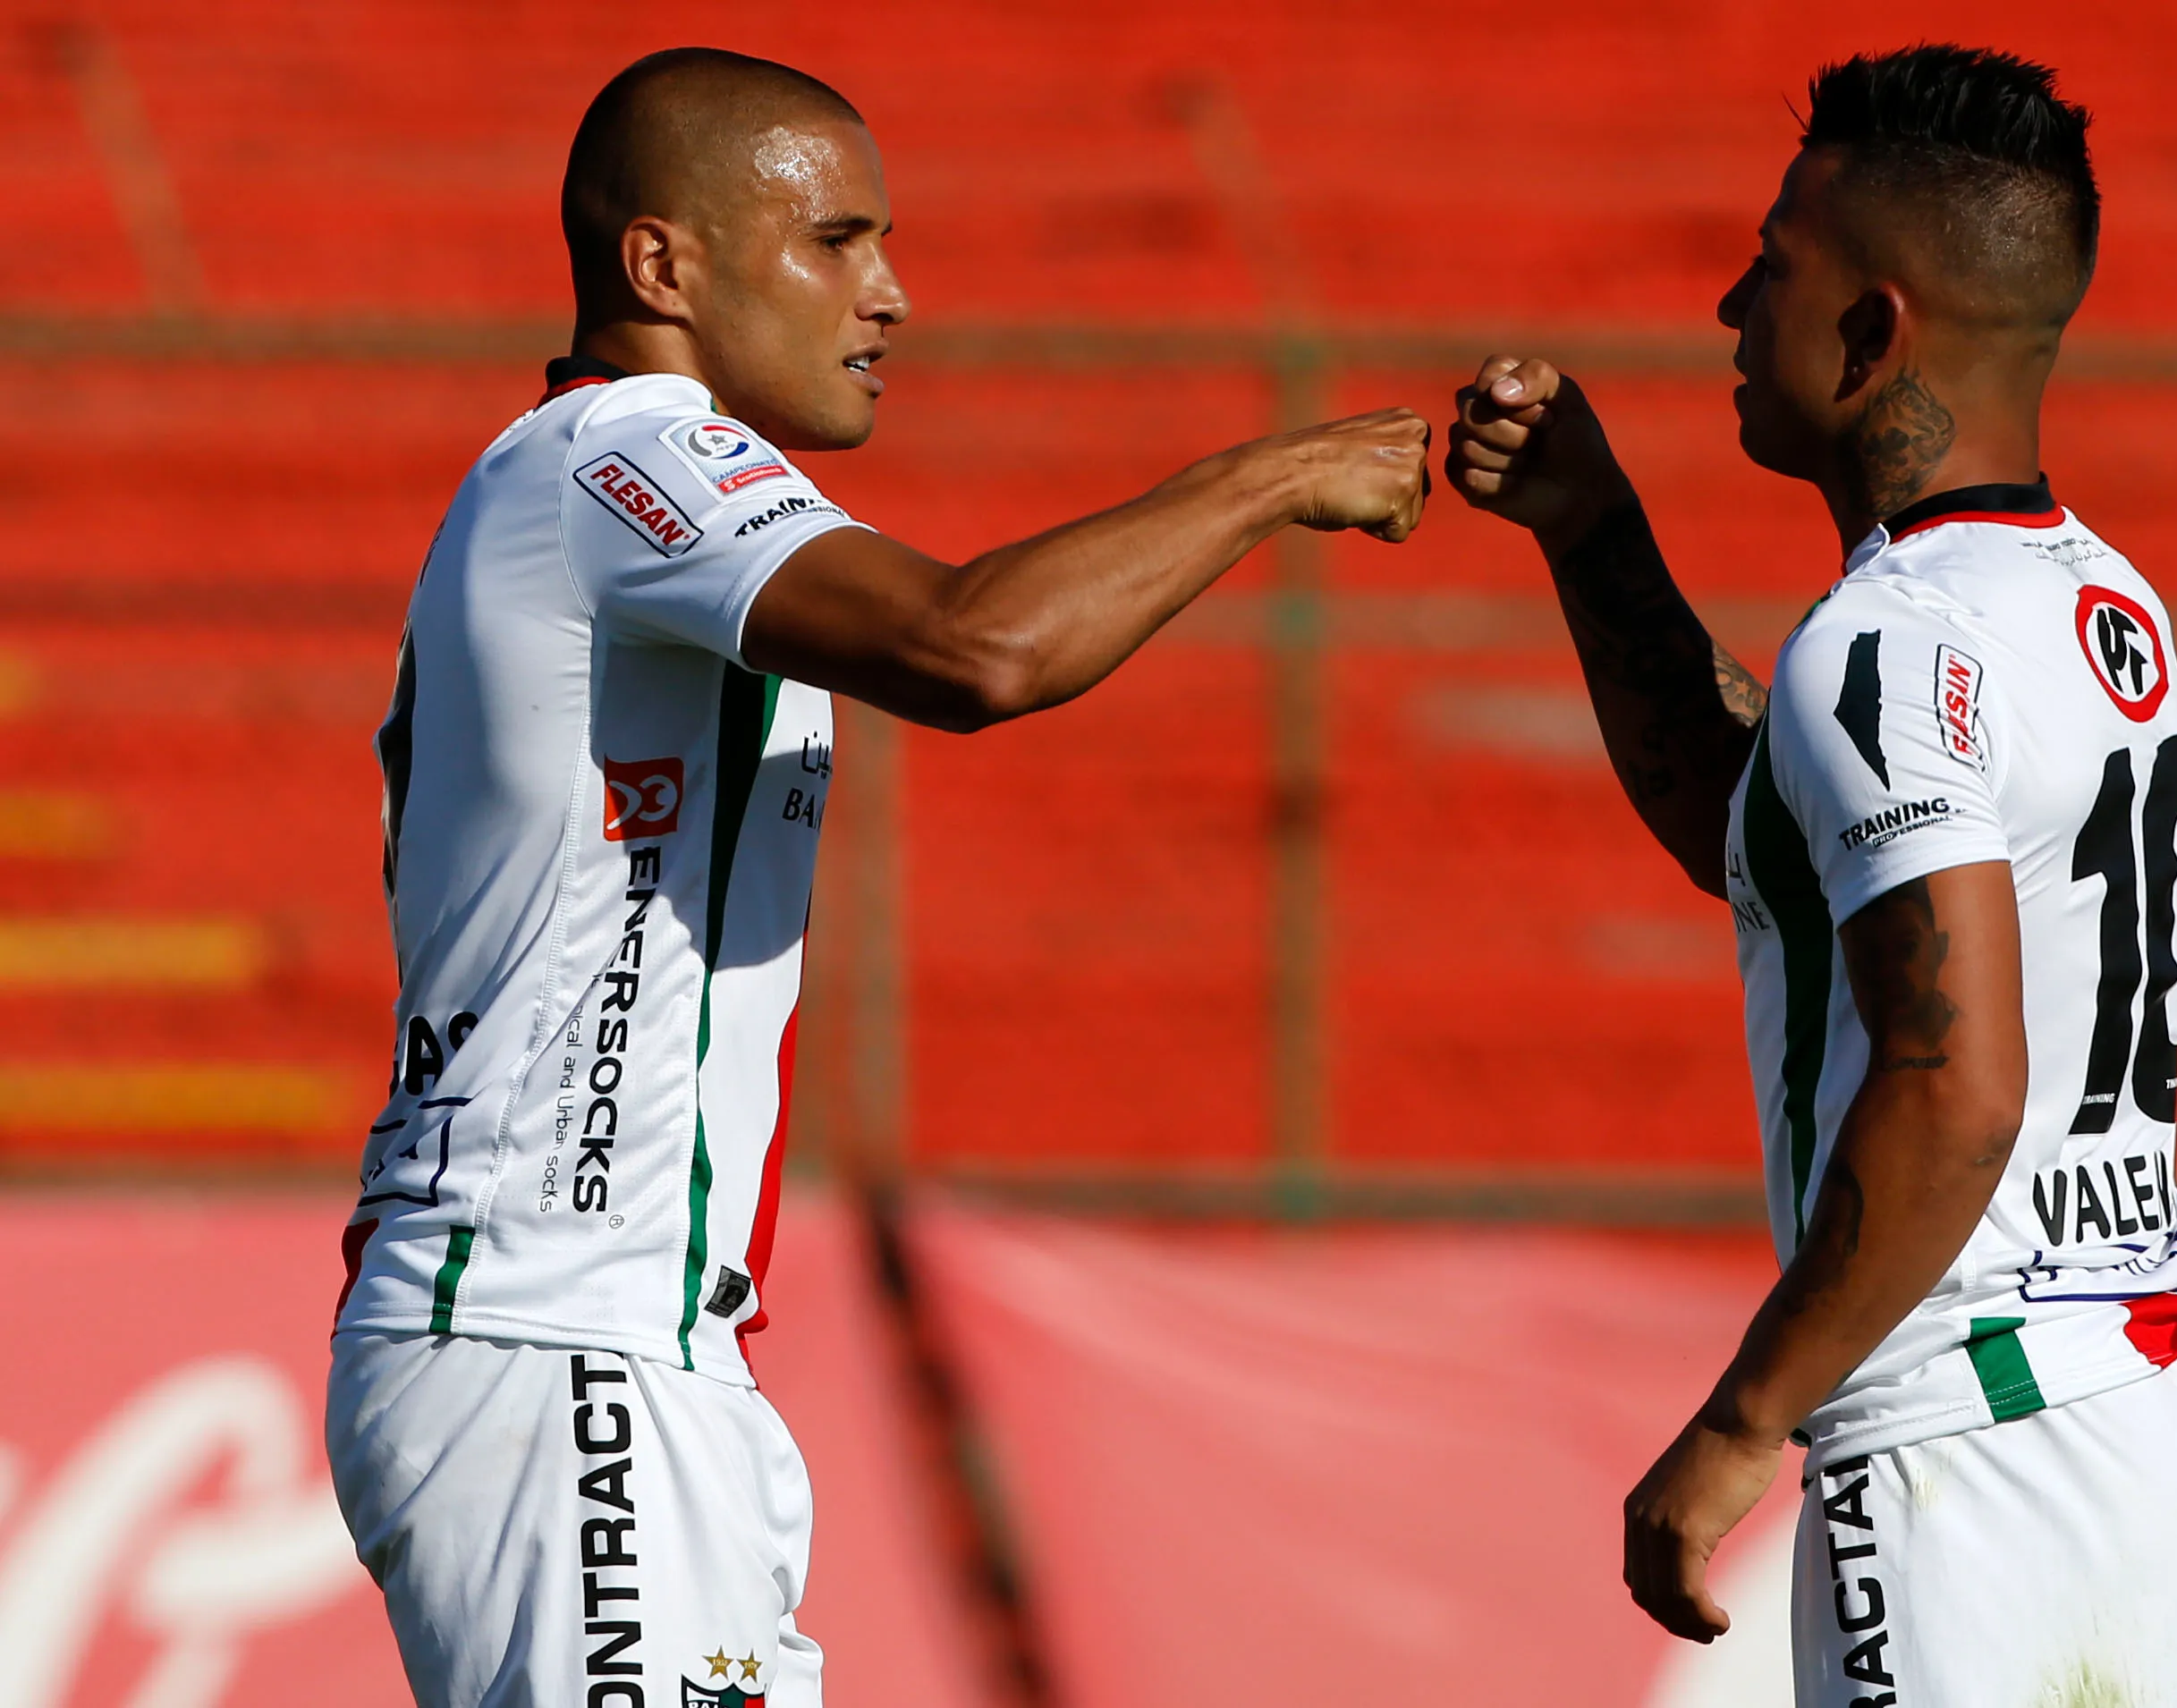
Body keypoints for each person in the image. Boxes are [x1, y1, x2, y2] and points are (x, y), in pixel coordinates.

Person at [326, 45, 1427, 1708]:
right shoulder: (627, 452)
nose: (891, 292)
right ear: (662, 265)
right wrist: (1270, 477)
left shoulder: (598, 486)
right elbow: (977, 646)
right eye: (836, 239)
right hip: (556, 1340)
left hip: (638, 1352)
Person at [1446, 44, 2177, 1707]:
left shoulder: (1889, 641)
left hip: (1981, 1443)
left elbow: (1953, 1085)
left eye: (1771, 265)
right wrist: (1595, 531)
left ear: (1874, 327)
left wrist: (1741, 1419)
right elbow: (1766, 831)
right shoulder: (2096, 599)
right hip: (2170, 1407)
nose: (1729, 305)